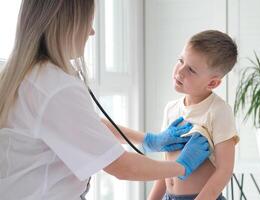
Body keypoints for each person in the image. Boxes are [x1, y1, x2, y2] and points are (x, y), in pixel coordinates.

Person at [0, 1, 210, 200]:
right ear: (67, 24)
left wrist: (148, 140)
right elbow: (123, 167)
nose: (91, 31)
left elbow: (83, 127)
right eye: (88, 22)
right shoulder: (56, 87)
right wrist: (183, 166)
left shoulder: (28, 75)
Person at [146, 30, 240, 200]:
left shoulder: (218, 111)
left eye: (191, 70)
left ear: (212, 83)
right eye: (181, 60)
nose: (180, 71)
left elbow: (224, 171)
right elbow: (166, 165)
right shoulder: (171, 109)